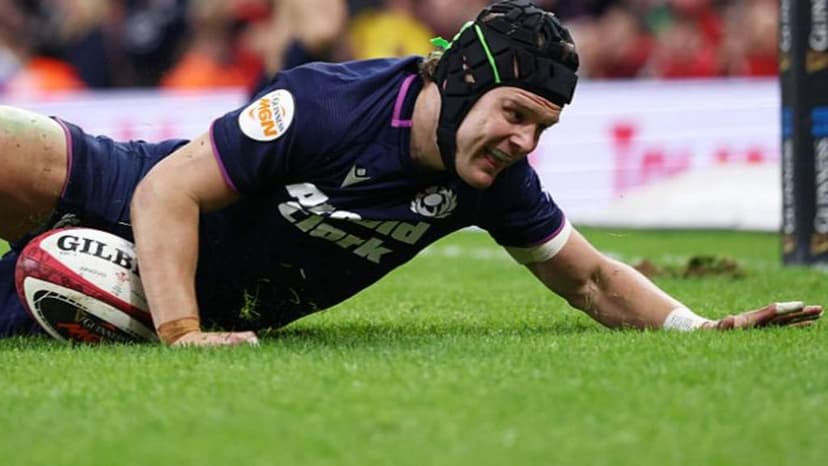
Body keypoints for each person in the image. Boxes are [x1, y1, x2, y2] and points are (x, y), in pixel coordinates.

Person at [0, 0, 822, 346]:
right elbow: (164, 190)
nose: (523, 142)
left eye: (542, 127)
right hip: (136, 198)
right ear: (460, 82)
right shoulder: (325, 104)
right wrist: (185, 339)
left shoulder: (491, 178)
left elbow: (593, 280)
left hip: (170, 288)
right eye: (515, 112)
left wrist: (700, 330)